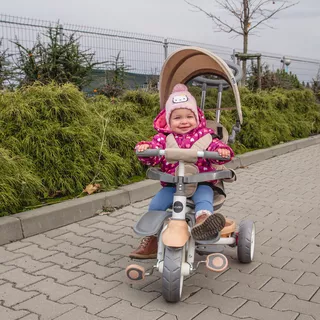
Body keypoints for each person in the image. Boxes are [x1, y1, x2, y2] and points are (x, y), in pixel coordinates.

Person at [129, 84, 234, 259]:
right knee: (156, 205)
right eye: (177, 117)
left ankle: (203, 223)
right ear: (168, 121)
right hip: (172, 184)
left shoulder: (206, 136)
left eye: (188, 116)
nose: (184, 121)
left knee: (204, 199)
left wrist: (222, 152)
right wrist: (146, 150)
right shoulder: (163, 138)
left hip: (200, 182)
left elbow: (218, 149)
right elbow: (154, 154)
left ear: (197, 117)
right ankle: (153, 239)